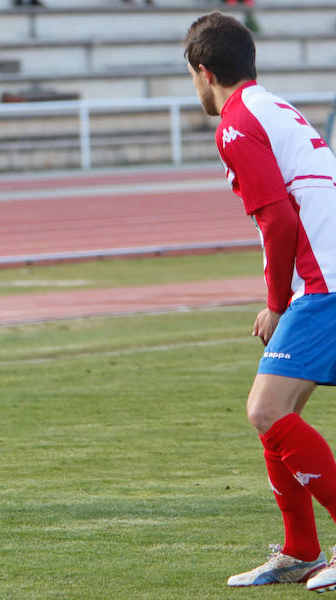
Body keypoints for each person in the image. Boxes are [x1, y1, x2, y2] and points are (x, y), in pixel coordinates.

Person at [184, 11, 336, 592]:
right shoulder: (271, 104)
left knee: (265, 411)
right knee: (278, 415)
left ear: (203, 71)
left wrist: (275, 301)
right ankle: (300, 549)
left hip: (321, 279)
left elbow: (275, 216)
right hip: (320, 275)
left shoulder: (235, 122)